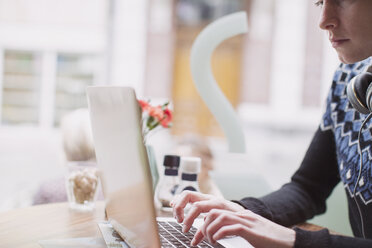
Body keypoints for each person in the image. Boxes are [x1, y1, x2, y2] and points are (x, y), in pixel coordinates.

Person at [171, 0, 372, 247]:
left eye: (342, 1)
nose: (323, 21)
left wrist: (291, 239)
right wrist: (242, 211)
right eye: (320, 2)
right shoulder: (350, 79)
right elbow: (306, 188)